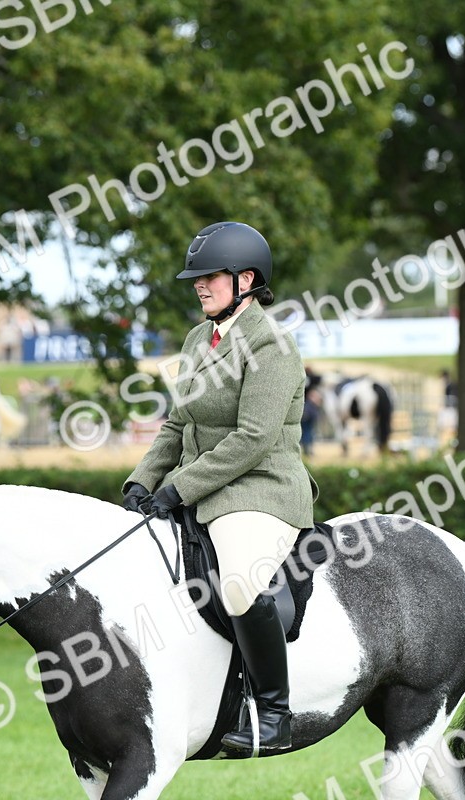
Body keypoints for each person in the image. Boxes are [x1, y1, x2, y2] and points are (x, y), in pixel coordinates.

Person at [121, 221, 317, 754]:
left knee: (237, 584)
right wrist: (143, 481)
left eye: (210, 277)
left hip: (260, 490)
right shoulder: (196, 339)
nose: (199, 286)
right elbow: (176, 425)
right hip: (201, 486)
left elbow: (253, 439)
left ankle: (275, 714)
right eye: (198, 278)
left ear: (246, 279)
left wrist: (178, 487)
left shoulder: (271, 346)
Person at [300, 367, 322, 455]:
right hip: (311, 410)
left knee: (304, 429)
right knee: (309, 430)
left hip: (303, 409)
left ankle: (305, 449)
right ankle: (309, 449)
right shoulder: (313, 383)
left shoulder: (302, 380)